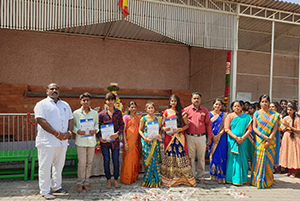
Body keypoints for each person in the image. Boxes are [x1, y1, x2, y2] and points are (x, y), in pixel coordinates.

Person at [34, 83, 73, 200]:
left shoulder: (65, 104)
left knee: (59, 165)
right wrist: (56, 133)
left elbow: (70, 119)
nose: (54, 90)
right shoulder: (41, 104)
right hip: (47, 142)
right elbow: (41, 120)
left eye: (56, 89)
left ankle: (57, 186)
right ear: (47, 91)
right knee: (45, 166)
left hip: (62, 142)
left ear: (59, 91)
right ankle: (45, 190)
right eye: (51, 89)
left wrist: (69, 133)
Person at [161, 95, 196, 187]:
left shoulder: (182, 112)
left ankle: (182, 178)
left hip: (179, 136)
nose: (173, 103)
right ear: (169, 102)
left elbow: (187, 125)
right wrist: (165, 128)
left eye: (175, 101)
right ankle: (169, 178)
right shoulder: (166, 112)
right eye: (172, 101)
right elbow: (162, 126)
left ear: (178, 102)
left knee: (180, 156)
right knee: (170, 156)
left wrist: (180, 129)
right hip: (169, 137)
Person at [250, 95, 280, 188]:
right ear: (260, 103)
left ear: (269, 103)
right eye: (262, 101)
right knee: (258, 160)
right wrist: (263, 137)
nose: (264, 103)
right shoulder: (257, 114)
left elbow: (275, 130)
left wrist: (269, 139)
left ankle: (268, 180)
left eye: (266, 101)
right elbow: (254, 128)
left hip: (271, 141)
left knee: (268, 160)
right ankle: (257, 180)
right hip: (259, 140)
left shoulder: (275, 115)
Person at [184, 92, 212, 184]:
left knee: (201, 157)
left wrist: (209, 137)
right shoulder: (186, 110)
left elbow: (208, 124)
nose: (196, 100)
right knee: (190, 158)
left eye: (198, 98)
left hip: (201, 137)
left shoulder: (204, 110)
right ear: (191, 99)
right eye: (194, 98)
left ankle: (201, 176)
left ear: (201, 100)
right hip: (189, 137)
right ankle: (191, 176)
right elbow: (182, 123)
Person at [73, 92, 99, 193]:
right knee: (82, 163)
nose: (85, 102)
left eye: (87, 100)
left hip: (91, 141)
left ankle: (86, 182)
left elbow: (97, 124)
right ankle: (80, 183)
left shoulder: (94, 113)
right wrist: (77, 131)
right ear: (80, 101)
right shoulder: (76, 113)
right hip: (81, 141)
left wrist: (95, 130)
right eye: (83, 100)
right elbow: (73, 126)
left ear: (90, 101)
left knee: (89, 163)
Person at [97, 92, 124, 189]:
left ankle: (116, 180)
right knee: (106, 161)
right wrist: (99, 137)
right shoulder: (101, 114)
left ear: (115, 101)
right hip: (104, 142)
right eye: (108, 100)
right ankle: (108, 180)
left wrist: (117, 134)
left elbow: (122, 125)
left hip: (115, 142)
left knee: (116, 161)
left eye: (112, 100)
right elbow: (97, 127)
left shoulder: (118, 113)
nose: (110, 102)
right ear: (106, 101)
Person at [225, 101, 252, 186]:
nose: (237, 108)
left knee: (243, 159)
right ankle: (231, 178)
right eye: (235, 106)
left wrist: (242, 138)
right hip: (232, 140)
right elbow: (226, 129)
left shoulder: (247, 117)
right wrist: (236, 138)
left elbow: (250, 129)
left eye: (238, 106)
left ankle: (242, 178)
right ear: (232, 107)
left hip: (243, 141)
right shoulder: (229, 116)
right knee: (233, 159)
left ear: (242, 107)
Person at [139, 102, 162, 187]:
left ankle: (155, 180)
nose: (150, 109)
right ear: (146, 109)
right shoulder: (143, 119)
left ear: (154, 109)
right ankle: (148, 179)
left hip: (155, 142)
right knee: (147, 160)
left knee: (154, 160)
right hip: (146, 141)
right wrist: (144, 138)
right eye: (149, 108)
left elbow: (159, 130)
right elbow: (140, 130)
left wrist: (159, 135)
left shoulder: (158, 119)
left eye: (152, 108)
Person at [120, 101, 142, 185]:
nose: (133, 109)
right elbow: (123, 131)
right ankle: (126, 178)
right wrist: (125, 143)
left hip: (136, 142)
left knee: (135, 159)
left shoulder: (139, 118)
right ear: (128, 108)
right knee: (128, 160)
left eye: (134, 107)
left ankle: (134, 177)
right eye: (131, 107)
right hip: (128, 142)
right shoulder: (125, 118)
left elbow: (142, 128)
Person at [279, 102, 300, 178]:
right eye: (288, 110)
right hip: (287, 136)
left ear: (294, 110)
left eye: (290, 110)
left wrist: (290, 127)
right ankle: (288, 171)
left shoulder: (297, 119)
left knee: (293, 153)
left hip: (295, 136)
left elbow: (298, 130)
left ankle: (293, 172)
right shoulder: (285, 118)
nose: (289, 111)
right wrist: (285, 127)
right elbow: (282, 128)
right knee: (287, 152)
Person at [208, 99, 227, 183]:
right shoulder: (208, 114)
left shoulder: (224, 115)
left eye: (219, 105)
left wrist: (219, 135)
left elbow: (225, 127)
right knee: (213, 154)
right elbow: (208, 127)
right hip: (211, 137)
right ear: (213, 105)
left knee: (222, 155)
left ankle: (221, 175)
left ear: (221, 106)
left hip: (222, 137)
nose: (217, 106)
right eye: (216, 104)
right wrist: (213, 136)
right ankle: (213, 174)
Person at [269, 101, 282, 173]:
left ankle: (274, 166)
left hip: (276, 134)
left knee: (275, 149)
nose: (271, 108)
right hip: (268, 133)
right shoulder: (268, 115)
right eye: (270, 106)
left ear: (276, 108)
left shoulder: (278, 116)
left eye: (273, 107)